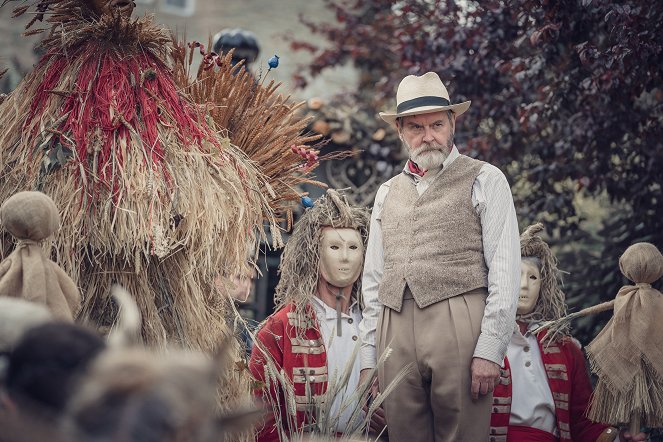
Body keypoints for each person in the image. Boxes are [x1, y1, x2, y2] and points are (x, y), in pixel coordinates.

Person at [359, 71, 521, 442]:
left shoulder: (486, 178)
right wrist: (369, 357)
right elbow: (373, 280)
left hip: (460, 322)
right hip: (393, 326)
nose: (427, 135)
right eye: (415, 127)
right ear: (400, 131)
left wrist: (490, 349)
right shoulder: (386, 192)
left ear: (452, 123)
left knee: (462, 435)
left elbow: (506, 270)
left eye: (436, 124)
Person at [491, 223, 648, 442]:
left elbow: (583, 422)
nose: (524, 286)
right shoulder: (481, 341)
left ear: (544, 286)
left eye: (533, 277)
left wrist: (619, 439)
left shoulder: (565, 349)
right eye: (516, 275)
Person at [249, 189, 384, 441]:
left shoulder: (380, 324)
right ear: (314, 254)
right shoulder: (279, 329)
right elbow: (259, 417)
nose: (345, 256)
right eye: (334, 246)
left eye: (353, 247)